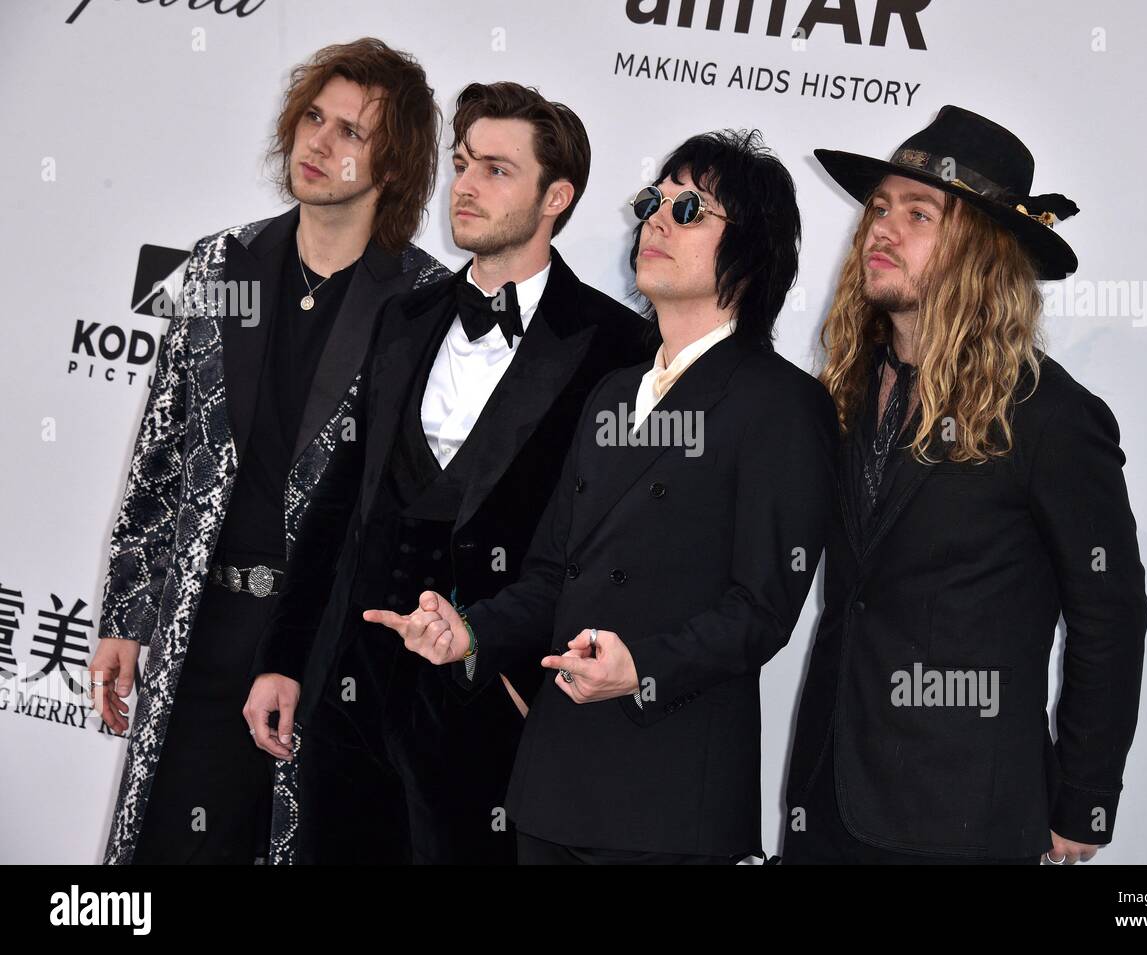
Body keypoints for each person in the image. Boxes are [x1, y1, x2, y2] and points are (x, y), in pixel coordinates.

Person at [369, 129, 837, 864]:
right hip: (552, 782)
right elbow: (553, 574)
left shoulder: (783, 404)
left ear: (752, 252)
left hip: (670, 797)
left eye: (691, 209)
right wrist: (471, 633)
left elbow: (761, 611)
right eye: (655, 200)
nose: (655, 218)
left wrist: (642, 668)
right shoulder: (614, 392)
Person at [245, 81, 651, 864]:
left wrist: (522, 684)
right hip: (351, 695)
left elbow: (612, 551)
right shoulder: (406, 313)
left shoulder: (614, 346)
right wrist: (284, 659)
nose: (464, 185)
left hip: (488, 709)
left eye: (497, 170)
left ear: (555, 195)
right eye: (463, 163)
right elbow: (340, 503)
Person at [93, 37, 447, 864]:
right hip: (201, 627)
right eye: (313, 118)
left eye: (352, 133)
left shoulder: (423, 303)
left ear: (393, 167)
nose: (318, 144)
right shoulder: (225, 261)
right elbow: (163, 453)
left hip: (327, 648)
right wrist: (127, 612)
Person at [783, 105, 1147, 865]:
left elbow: (1108, 614)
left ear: (982, 249)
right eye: (878, 207)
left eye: (919, 213)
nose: (881, 227)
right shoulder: (846, 391)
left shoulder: (1051, 416)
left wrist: (1083, 801)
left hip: (965, 821)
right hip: (825, 802)